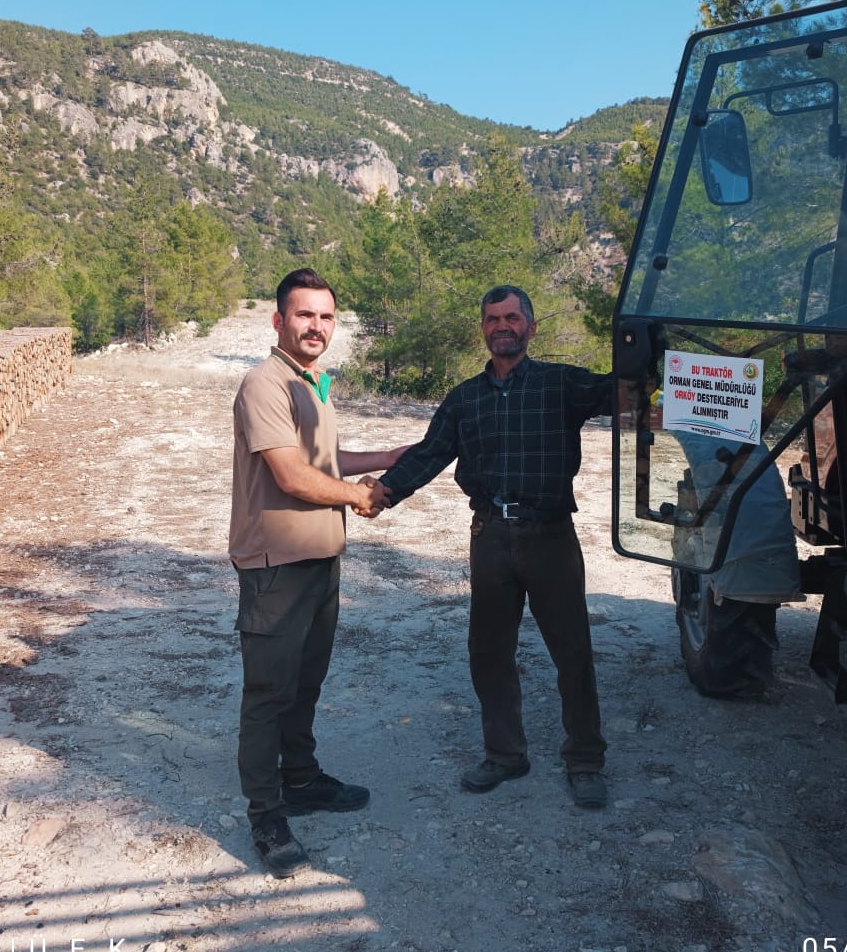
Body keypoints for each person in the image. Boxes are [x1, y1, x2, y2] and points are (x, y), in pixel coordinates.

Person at [371, 285, 613, 809]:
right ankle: (505, 755)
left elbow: (624, 391)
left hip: (550, 534)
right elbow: (431, 452)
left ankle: (586, 759)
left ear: (530, 325)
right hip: (489, 537)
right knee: (489, 650)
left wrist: (652, 350)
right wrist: (384, 492)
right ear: (482, 328)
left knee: (571, 650)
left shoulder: (561, 384)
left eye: (511, 318)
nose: (501, 326)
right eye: (491, 319)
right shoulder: (465, 398)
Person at [230, 268, 404, 878]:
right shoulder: (265, 384)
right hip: (276, 566)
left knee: (305, 683)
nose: (316, 327)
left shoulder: (314, 383)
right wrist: (358, 498)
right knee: (268, 694)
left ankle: (300, 780)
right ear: (278, 320)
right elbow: (290, 475)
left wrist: (387, 459)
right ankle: (267, 818)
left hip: (320, 560)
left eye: (326, 317)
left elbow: (323, 461)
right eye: (304, 315)